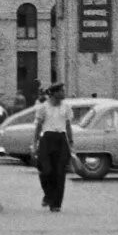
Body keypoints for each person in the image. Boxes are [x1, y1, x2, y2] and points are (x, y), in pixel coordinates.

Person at [32, 84, 76, 213]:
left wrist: (71, 142)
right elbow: (38, 126)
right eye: (61, 91)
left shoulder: (66, 107)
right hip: (47, 139)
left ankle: (56, 204)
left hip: (61, 140)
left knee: (60, 172)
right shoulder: (43, 107)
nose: (64, 93)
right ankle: (48, 194)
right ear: (54, 93)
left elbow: (68, 126)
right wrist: (35, 143)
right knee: (45, 170)